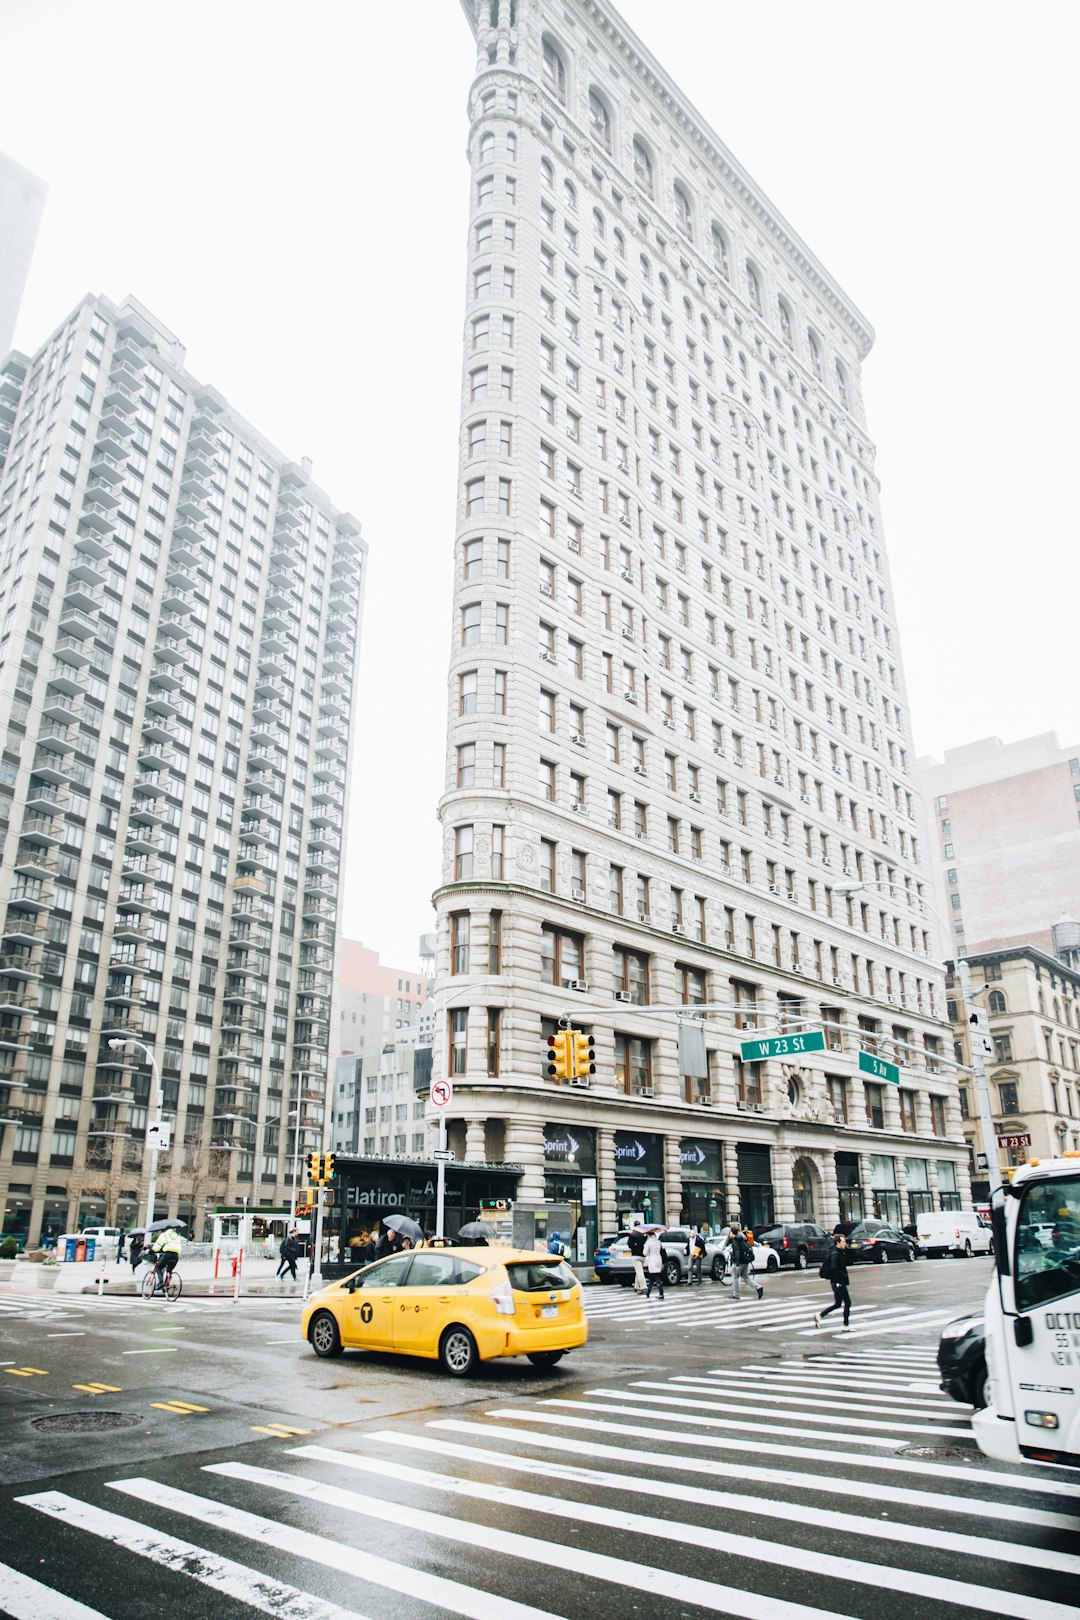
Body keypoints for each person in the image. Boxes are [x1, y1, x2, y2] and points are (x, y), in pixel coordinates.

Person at [815, 1234, 852, 1331]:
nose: (845, 1244)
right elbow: (834, 1267)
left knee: (838, 1303)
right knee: (847, 1303)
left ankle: (820, 1315)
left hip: (835, 1282)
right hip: (838, 1282)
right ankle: (846, 1325)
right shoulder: (835, 1253)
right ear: (838, 1243)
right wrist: (843, 1276)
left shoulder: (836, 1252)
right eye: (843, 1242)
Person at [726, 1225, 763, 1302]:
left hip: (740, 1262)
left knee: (735, 1277)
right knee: (745, 1277)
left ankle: (736, 1295)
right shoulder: (742, 1238)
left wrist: (737, 1263)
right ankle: (758, 1287)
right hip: (745, 1261)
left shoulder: (735, 1240)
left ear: (732, 1232)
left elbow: (737, 1251)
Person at [150, 1225, 182, 1292]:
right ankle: (167, 1285)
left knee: (158, 1267)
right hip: (176, 1255)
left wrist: (152, 1250)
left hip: (168, 1254)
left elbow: (158, 1245)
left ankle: (161, 1283)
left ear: (166, 1229)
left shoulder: (164, 1235)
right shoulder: (177, 1236)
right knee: (169, 1270)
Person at [643, 1228, 665, 1300]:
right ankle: (648, 1292)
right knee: (652, 1278)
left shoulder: (648, 1242)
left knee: (656, 1277)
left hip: (652, 1260)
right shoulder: (658, 1242)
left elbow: (645, 1253)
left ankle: (661, 1293)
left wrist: (645, 1246)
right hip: (659, 1259)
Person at [626, 1224, 647, 1293]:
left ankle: (643, 1287)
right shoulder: (644, 1234)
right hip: (643, 1255)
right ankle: (636, 1286)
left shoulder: (632, 1234)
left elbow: (629, 1244)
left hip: (635, 1255)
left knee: (639, 1272)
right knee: (639, 1271)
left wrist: (634, 1247)